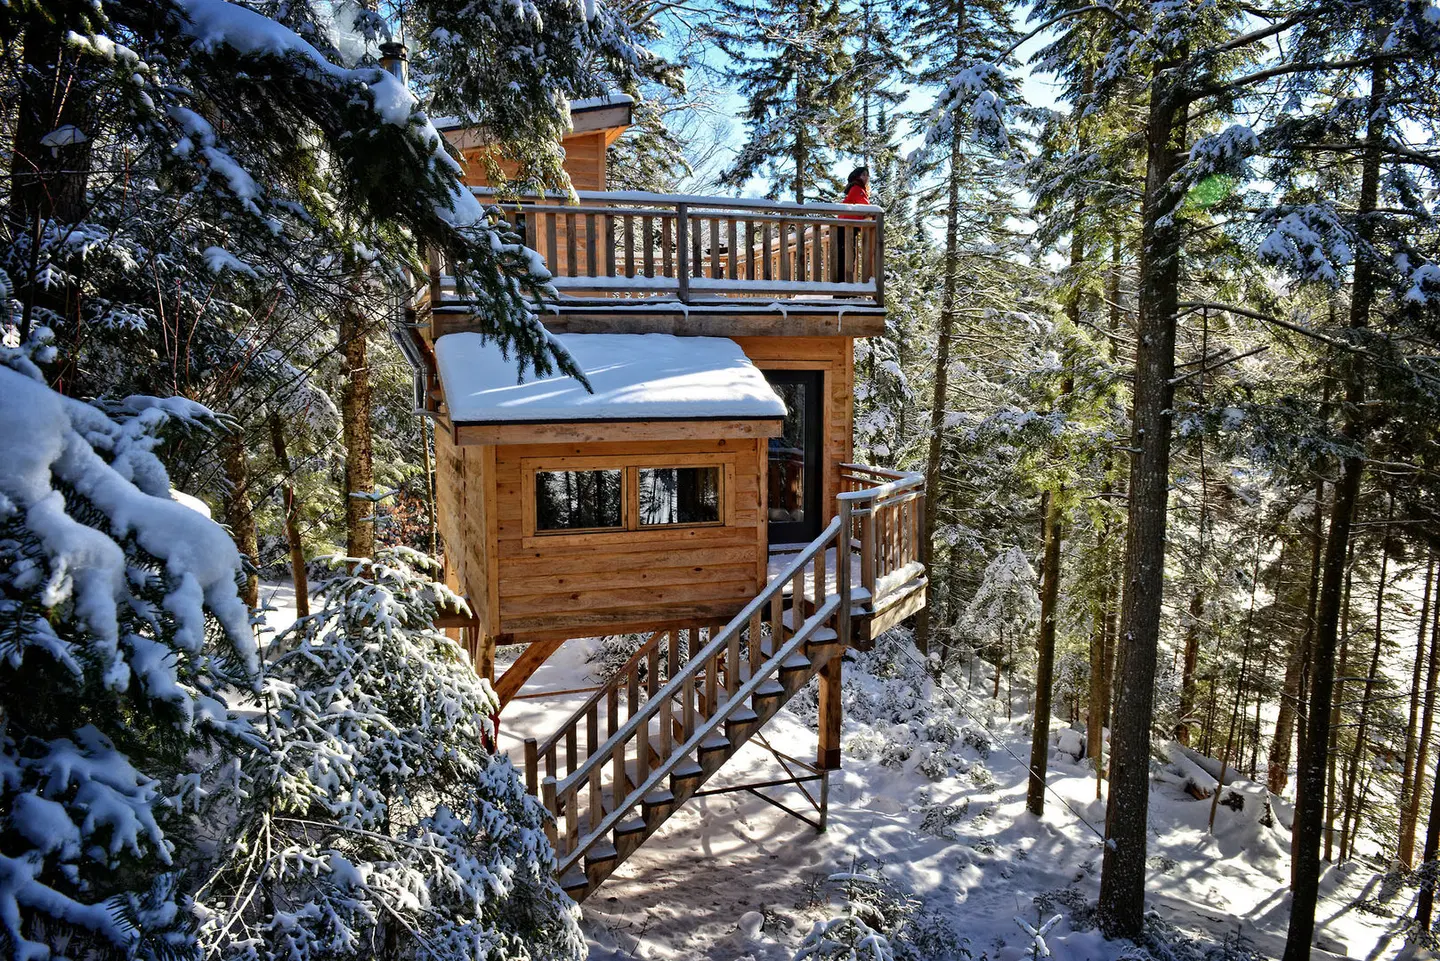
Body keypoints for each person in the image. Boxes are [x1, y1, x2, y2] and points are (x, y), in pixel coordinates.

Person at [834, 167, 870, 282]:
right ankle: (844, 284)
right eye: (863, 175)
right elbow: (865, 205)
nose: (866, 177)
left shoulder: (856, 188)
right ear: (857, 176)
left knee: (845, 254)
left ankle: (842, 283)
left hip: (846, 225)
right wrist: (873, 216)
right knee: (847, 255)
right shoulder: (857, 188)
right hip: (847, 226)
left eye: (867, 175)